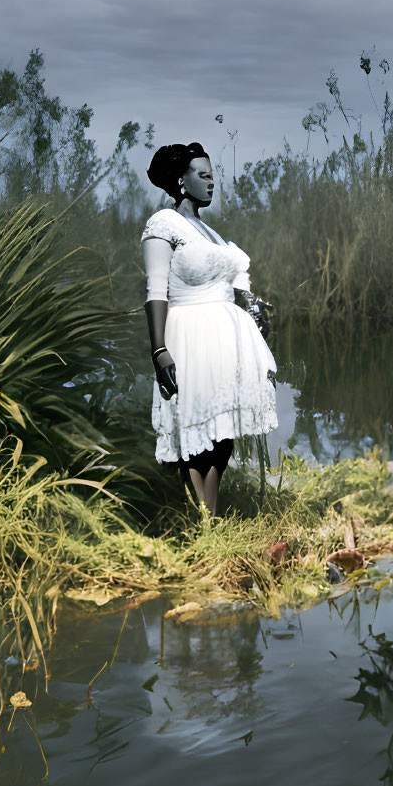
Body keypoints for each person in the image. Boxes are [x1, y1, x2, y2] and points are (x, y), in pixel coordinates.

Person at [142, 142, 278, 517]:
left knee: (222, 437)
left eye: (213, 175)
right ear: (181, 181)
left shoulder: (210, 232)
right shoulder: (164, 224)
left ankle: (211, 518)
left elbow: (233, 283)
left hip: (226, 340)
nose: (212, 182)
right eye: (203, 176)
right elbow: (156, 290)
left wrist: (253, 308)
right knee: (195, 434)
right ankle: (201, 523)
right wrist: (159, 350)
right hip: (191, 335)